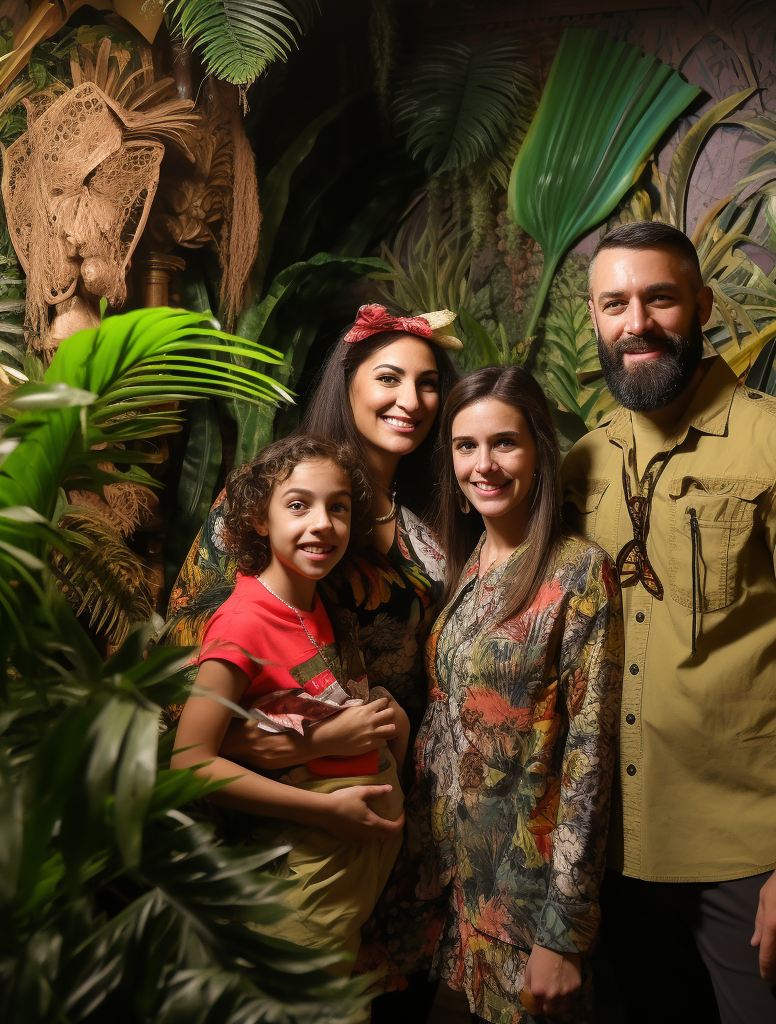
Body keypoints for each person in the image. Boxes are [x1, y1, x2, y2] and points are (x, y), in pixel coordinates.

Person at [560, 221, 776, 1024]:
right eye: (614, 303)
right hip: (615, 859)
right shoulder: (582, 462)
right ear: (597, 320)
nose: (635, 321)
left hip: (756, 864)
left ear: (702, 306)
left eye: (659, 297)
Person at [165, 304, 462, 1021]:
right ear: (347, 380)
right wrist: (314, 745)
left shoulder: (442, 507)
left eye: (428, 385)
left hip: (397, 833)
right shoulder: (270, 495)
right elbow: (185, 700)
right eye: (388, 377)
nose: (409, 400)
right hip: (293, 838)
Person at [415, 366, 624, 1024]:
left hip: (524, 910)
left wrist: (562, 935)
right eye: (465, 446)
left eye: (504, 443)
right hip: (450, 900)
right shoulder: (468, 562)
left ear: (538, 449)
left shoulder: (578, 573)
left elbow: (589, 763)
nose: (484, 464)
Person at [172, 434, 408, 968]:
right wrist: (325, 809)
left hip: (344, 895)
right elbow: (189, 763)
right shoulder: (244, 620)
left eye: (339, 506)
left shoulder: (318, 606)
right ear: (261, 518)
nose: (323, 523)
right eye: (299, 504)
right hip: (298, 901)